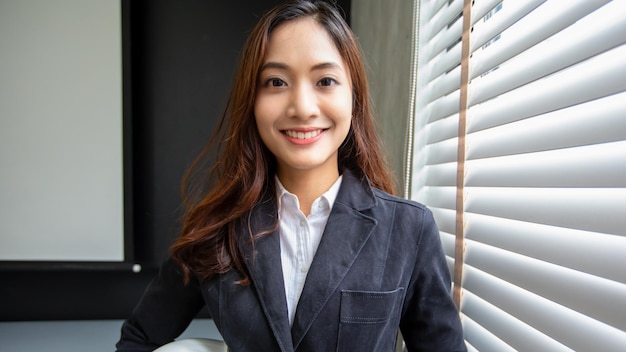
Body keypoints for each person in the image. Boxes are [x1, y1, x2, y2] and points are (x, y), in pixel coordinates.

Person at [116, 1, 465, 351]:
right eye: (276, 81)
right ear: (251, 100)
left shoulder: (409, 229)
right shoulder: (217, 226)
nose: (302, 107)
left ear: (354, 96)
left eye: (325, 80)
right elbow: (138, 339)